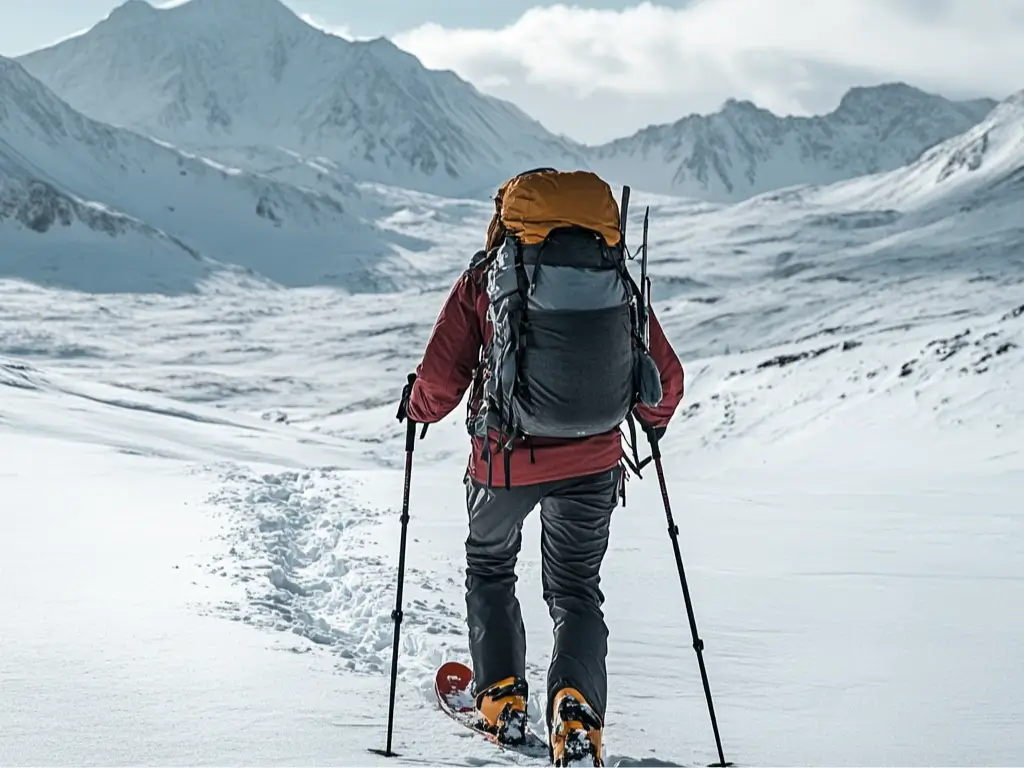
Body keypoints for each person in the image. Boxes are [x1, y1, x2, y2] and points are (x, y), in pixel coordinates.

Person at [400, 168, 685, 766]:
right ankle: (576, 711)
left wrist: (415, 406)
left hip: (506, 461)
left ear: (510, 217)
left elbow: (441, 379)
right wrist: (647, 425)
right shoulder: (616, 280)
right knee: (577, 590)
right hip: (595, 460)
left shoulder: (487, 278)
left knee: (490, 564)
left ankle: (501, 700)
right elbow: (665, 379)